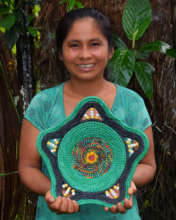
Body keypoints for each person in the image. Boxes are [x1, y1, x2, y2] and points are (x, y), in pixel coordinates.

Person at [18, 8, 156, 220]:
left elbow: (147, 165)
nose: (84, 54)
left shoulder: (131, 103)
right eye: (74, 45)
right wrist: (58, 193)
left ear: (110, 50)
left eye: (95, 44)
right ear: (60, 53)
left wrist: (121, 184)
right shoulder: (43, 104)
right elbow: (28, 167)